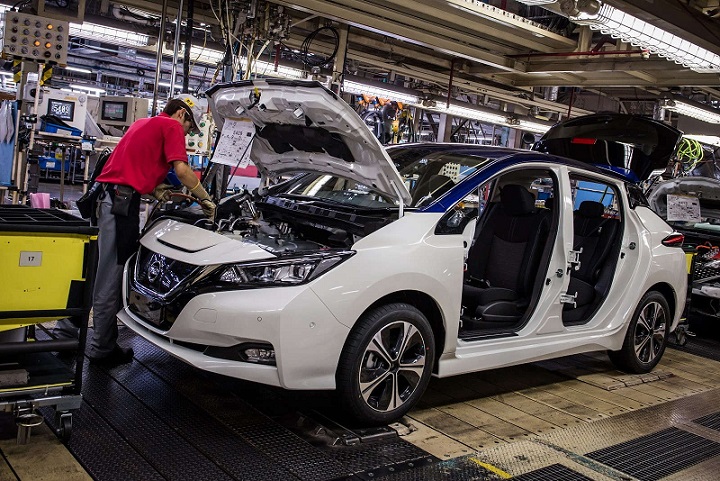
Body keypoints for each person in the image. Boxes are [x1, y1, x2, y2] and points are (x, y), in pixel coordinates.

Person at [56, 95, 216, 367]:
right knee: (112, 275)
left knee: (93, 269)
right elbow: (182, 169)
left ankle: (65, 334)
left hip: (105, 200)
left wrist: (155, 188)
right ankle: (102, 349)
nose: (188, 133)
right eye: (191, 127)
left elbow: (132, 164)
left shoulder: (143, 123)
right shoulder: (172, 127)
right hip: (120, 205)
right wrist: (205, 198)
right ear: (181, 114)